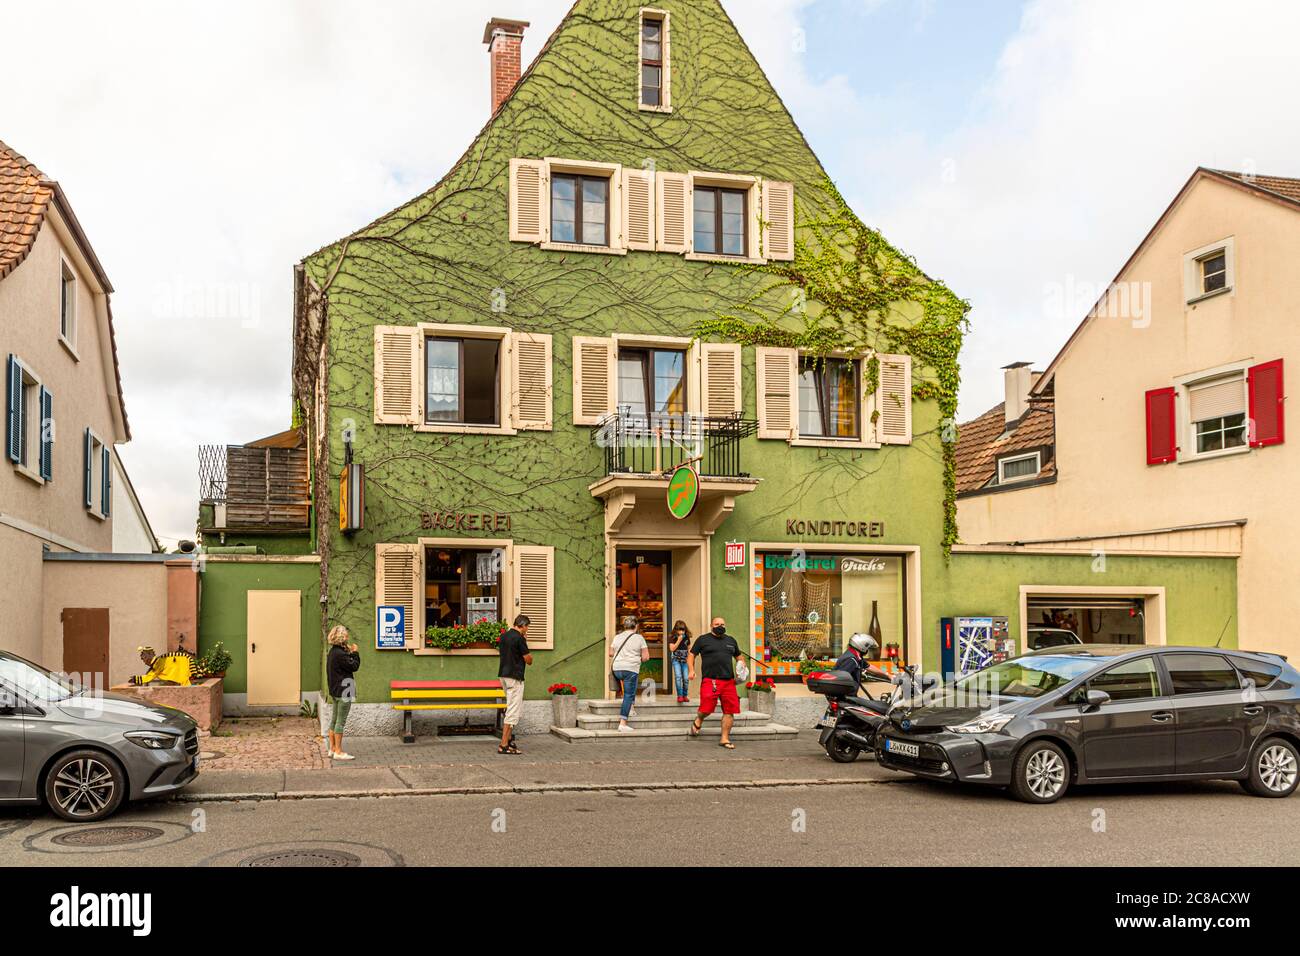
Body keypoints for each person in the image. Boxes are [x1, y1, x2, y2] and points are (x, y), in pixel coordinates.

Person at [689, 616, 743, 749]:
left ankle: (724, 738)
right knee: (706, 708)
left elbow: (739, 657)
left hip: (728, 681)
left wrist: (741, 668)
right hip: (710, 680)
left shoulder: (731, 640)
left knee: (729, 711)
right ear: (711, 626)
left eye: (722, 624)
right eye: (717, 624)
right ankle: (699, 719)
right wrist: (691, 670)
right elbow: (691, 655)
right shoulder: (703, 640)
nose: (720, 626)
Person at [497, 614, 533, 755]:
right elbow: (528, 660)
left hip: (503, 675)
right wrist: (528, 654)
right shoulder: (519, 638)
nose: (527, 629)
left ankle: (509, 740)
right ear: (522, 625)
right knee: (512, 710)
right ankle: (504, 744)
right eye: (527, 626)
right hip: (515, 677)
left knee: (511, 707)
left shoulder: (504, 636)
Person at [325, 625, 361, 760]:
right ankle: (339, 752)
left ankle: (332, 749)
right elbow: (354, 666)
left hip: (335, 690)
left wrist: (349, 653)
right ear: (342, 637)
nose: (347, 637)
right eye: (346, 635)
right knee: (340, 722)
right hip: (345, 690)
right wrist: (355, 653)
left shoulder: (333, 652)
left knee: (334, 720)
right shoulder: (341, 654)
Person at [609, 616, 649, 732]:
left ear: (624, 626)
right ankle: (623, 723)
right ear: (636, 626)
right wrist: (636, 658)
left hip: (617, 669)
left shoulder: (617, 637)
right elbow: (646, 657)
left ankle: (631, 708)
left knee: (627, 690)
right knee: (628, 694)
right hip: (630, 668)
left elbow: (611, 653)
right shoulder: (639, 638)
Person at [668, 620, 692, 703]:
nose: (681, 632)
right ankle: (680, 696)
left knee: (685, 678)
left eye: (683, 630)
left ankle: (685, 695)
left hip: (685, 660)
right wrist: (678, 640)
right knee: (678, 677)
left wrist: (690, 660)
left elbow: (689, 649)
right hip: (676, 659)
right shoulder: (672, 637)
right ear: (676, 629)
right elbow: (672, 649)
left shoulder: (687, 637)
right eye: (679, 630)